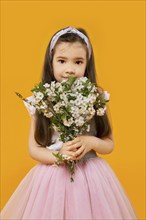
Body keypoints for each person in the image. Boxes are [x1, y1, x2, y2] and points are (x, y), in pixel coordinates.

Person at [1, 26, 138, 220]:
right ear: (51, 63)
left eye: (78, 62)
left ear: (87, 64)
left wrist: (91, 142)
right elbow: (34, 148)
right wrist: (58, 155)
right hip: (53, 178)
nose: (70, 69)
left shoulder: (95, 97)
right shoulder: (41, 100)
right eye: (62, 61)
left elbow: (109, 143)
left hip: (92, 178)